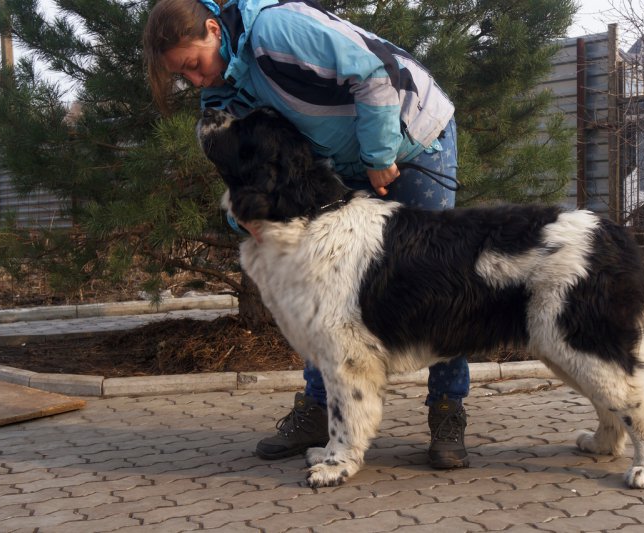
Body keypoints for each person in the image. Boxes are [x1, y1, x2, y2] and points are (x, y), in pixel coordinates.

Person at [144, 0, 470, 469]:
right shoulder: (220, 93)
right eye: (184, 76)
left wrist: (380, 156)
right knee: (322, 296)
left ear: (213, 29)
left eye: (194, 65)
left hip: (409, 137)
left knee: (435, 282)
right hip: (344, 163)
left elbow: (372, 71)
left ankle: (446, 409)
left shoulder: (276, 30)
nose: (197, 81)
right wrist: (247, 220)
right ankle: (321, 411)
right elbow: (240, 172)